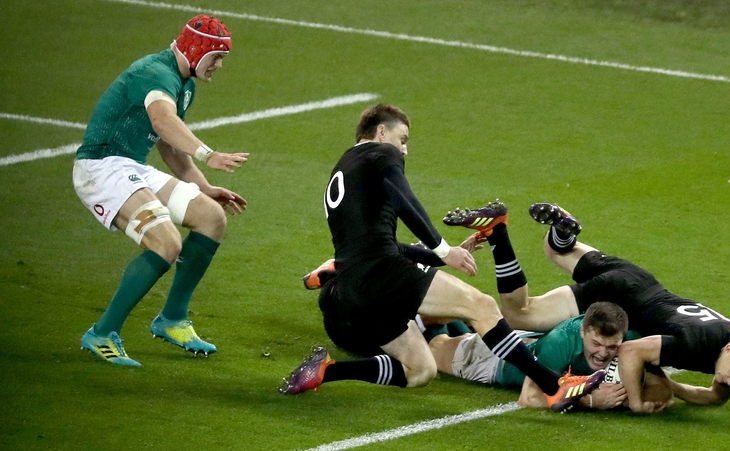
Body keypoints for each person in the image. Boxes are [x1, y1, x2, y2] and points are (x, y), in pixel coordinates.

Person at [280, 104, 604, 412]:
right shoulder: (383, 153)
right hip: (381, 273)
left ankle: (326, 370)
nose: (403, 149)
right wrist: (443, 250)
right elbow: (405, 201)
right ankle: (553, 387)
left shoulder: (344, 170)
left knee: (421, 370)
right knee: (482, 307)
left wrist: (437, 256)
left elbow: (384, 240)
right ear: (381, 131)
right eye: (402, 139)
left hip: (353, 287)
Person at [446, 200, 730, 413]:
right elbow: (631, 351)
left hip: (636, 279)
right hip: (618, 297)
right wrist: (636, 402)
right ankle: (498, 232)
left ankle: (562, 233)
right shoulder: (694, 346)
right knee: (520, 313)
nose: (729, 382)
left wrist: (687, 389)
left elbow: (716, 394)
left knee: (554, 251)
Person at [73, 14, 248, 366]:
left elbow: (168, 144)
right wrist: (208, 155)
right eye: (216, 58)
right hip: (101, 167)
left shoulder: (184, 84)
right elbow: (162, 121)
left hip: (130, 166)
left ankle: (172, 319)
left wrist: (204, 186)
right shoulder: (156, 73)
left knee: (211, 218)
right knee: (166, 242)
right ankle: (103, 332)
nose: (218, 66)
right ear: (197, 51)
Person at [429, 302, 651, 410]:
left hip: (527, 340)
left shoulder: (631, 342)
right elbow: (529, 398)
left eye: (612, 347)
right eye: (596, 344)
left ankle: (450, 316)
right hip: (496, 361)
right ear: (583, 331)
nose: (603, 354)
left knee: (459, 328)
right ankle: (416, 299)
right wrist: (591, 400)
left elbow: (659, 383)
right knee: (433, 349)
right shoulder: (561, 341)